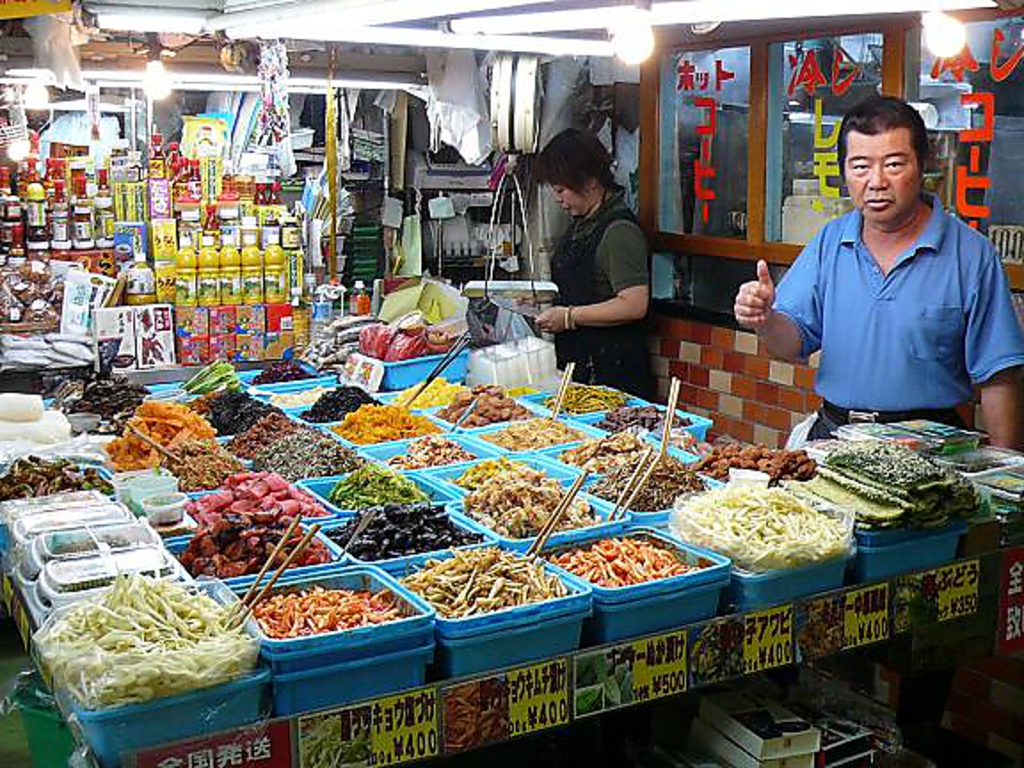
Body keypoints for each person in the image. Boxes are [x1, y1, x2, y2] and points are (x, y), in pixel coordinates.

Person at [734, 95, 1024, 448]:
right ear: (844, 172)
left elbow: (999, 377)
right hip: (836, 437)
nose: (876, 181)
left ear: (923, 166)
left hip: (931, 448)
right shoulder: (830, 241)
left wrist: (1007, 477)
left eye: (894, 165)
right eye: (860, 166)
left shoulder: (971, 254)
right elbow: (790, 342)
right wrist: (764, 321)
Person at [534, 128, 654, 399]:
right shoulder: (582, 224)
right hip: (583, 372)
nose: (558, 198)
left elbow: (634, 304)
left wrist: (568, 316)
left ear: (589, 182)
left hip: (615, 376)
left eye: (561, 189)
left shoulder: (619, 231)